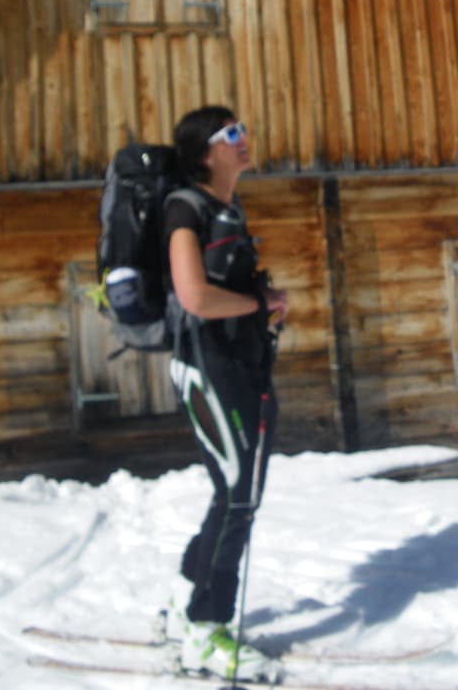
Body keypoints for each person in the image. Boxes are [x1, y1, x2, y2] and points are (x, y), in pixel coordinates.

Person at [163, 106, 289, 680]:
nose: (244, 140)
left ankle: (186, 600)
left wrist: (264, 302)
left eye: (244, 130)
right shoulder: (185, 208)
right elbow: (195, 296)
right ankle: (206, 627)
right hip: (209, 370)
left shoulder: (227, 208)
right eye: (231, 133)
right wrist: (258, 304)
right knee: (238, 498)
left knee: (233, 494)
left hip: (239, 367)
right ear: (206, 152)